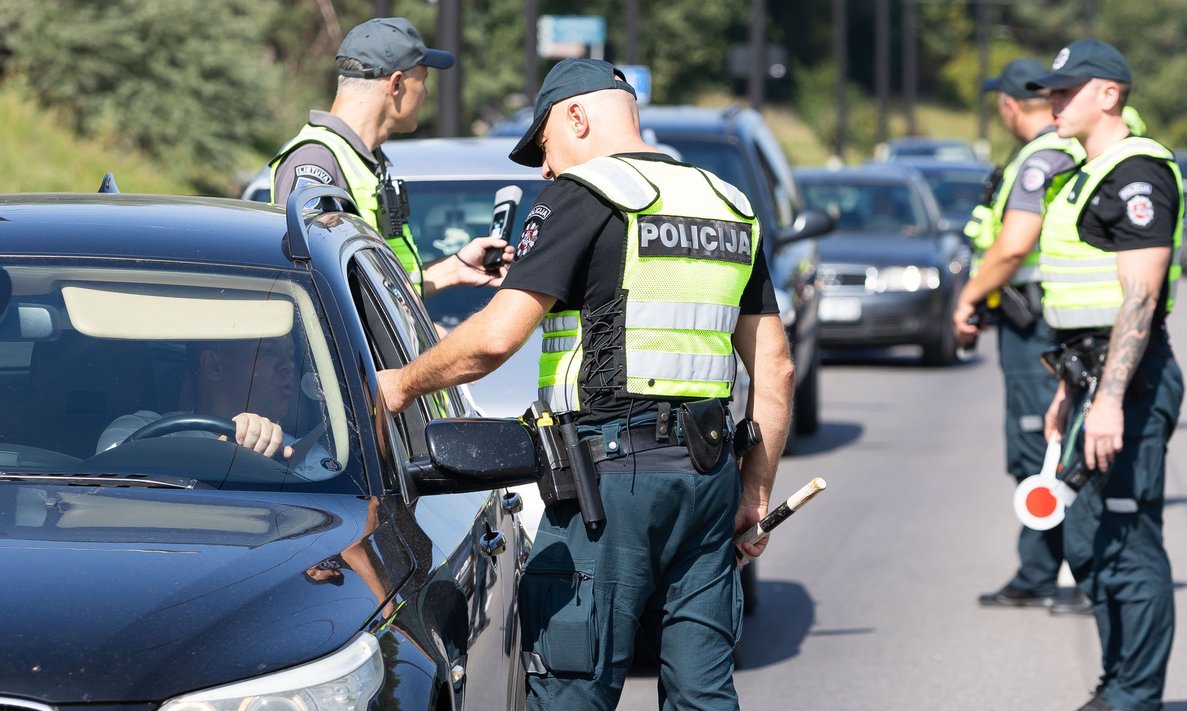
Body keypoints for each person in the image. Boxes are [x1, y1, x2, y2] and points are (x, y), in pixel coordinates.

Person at [376, 58, 794, 709]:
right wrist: (755, 489)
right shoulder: (727, 204)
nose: (545, 169)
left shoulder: (584, 193)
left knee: (571, 685)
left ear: (576, 116)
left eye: (544, 147)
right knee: (704, 690)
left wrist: (398, 384)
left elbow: (494, 339)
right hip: (709, 479)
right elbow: (775, 366)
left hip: (608, 480)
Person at [1027, 39, 1183, 711]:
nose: (1053, 101)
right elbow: (1081, 304)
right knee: (1090, 541)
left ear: (1109, 94)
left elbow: (1140, 297)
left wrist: (1111, 397)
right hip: (1089, 378)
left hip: (1131, 383)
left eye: (1067, 90)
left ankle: (1134, 695)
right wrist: (1070, 390)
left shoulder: (1136, 174)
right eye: (1050, 92)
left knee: (1129, 540)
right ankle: (1118, 680)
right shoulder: (1086, 173)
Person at [952, 59, 1091, 615]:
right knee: (1038, 447)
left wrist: (966, 298)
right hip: (1034, 321)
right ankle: (1037, 570)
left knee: (1047, 447)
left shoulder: (1043, 156)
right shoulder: (1067, 149)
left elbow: (1012, 248)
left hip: (1036, 324)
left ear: (1010, 105)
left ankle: (1081, 572)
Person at [268, 17, 513, 297]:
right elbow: (320, 288)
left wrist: (454, 268)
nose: (426, 93)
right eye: (422, 80)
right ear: (396, 84)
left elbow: (378, 285)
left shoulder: (362, 158)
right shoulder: (315, 160)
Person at [96, 336, 337, 482]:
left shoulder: (305, 458)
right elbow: (111, 492)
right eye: (268, 351)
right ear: (213, 366)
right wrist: (226, 453)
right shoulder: (138, 431)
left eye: (291, 354)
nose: (288, 366)